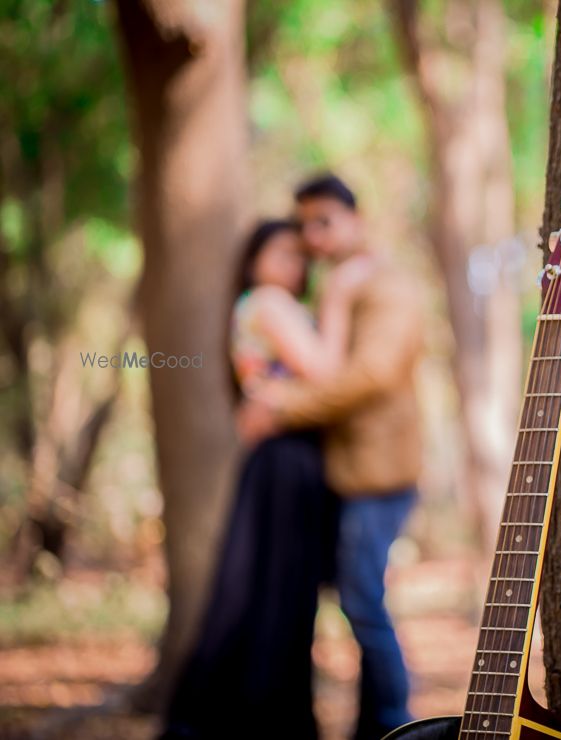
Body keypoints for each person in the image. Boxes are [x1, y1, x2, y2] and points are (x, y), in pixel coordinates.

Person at [161, 219, 364, 739]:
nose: (294, 263)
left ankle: (263, 719)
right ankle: (263, 722)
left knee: (274, 595)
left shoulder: (269, 305)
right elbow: (324, 371)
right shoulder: (269, 304)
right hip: (286, 465)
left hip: (287, 459)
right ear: (253, 259)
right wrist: (339, 301)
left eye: (300, 255)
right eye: (280, 252)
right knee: (274, 595)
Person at [238, 174, 425, 740]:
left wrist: (283, 408)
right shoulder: (335, 286)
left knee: (364, 602)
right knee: (354, 601)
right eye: (304, 226)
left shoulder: (386, 285)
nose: (313, 238)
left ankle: (396, 725)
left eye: (325, 222)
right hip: (346, 473)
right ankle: (375, 724)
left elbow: (371, 375)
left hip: (380, 473)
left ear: (356, 220)